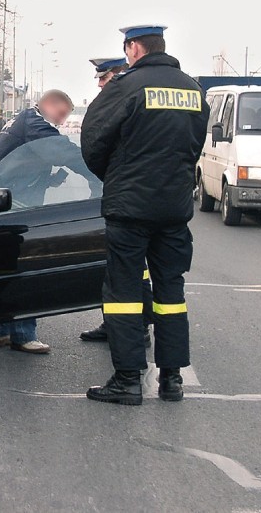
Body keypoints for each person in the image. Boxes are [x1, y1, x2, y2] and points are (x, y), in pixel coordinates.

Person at [81, 25, 209, 405]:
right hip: (174, 209)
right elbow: (194, 145)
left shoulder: (125, 86)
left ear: (134, 47)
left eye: (127, 47)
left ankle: (128, 380)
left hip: (129, 209)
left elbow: (93, 140)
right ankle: (171, 380)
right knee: (171, 292)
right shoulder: (192, 89)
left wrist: (117, 176)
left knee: (123, 292)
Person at [0, 89, 95, 354]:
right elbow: (61, 151)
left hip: (6, 200)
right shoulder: (35, 122)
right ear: (49, 105)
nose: (62, 121)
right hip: (19, 204)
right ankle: (23, 335)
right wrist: (96, 169)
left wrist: (48, 179)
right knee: (25, 268)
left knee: (5, 267)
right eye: (61, 114)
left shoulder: (22, 121)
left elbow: (22, 161)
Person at [80, 57, 152, 348]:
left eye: (103, 77)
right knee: (115, 267)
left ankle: (138, 328)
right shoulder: (117, 100)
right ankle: (113, 324)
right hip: (117, 196)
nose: (99, 83)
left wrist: (105, 177)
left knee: (131, 270)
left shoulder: (125, 102)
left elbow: (101, 147)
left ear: (119, 75)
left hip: (128, 200)